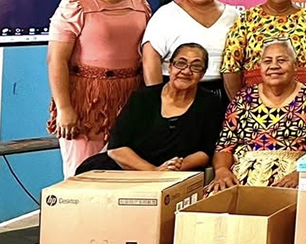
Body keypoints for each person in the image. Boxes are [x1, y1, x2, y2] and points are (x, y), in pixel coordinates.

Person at [46, 0, 152, 176]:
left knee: (126, 168)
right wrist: (64, 108)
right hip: (87, 97)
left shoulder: (141, 6)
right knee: (83, 170)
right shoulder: (75, 7)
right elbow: (56, 60)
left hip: (130, 95)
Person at [76, 43, 223, 174]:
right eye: (181, 63)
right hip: (125, 170)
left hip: (176, 175)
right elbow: (116, 148)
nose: (186, 71)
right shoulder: (142, 98)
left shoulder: (210, 103)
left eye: (196, 66)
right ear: (170, 67)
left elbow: (205, 153)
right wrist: (154, 171)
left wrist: (172, 168)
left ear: (203, 74)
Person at [209, 39, 306, 190]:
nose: (274, 66)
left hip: (292, 175)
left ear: (295, 66)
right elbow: (224, 146)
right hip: (242, 175)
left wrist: (301, 174)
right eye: (267, 61)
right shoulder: (243, 99)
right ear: (260, 67)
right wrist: (222, 171)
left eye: (282, 60)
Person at [141, 0, 240, 105]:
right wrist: (156, 100)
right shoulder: (167, 14)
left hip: (222, 92)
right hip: (176, 91)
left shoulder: (234, 15)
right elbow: (150, 58)